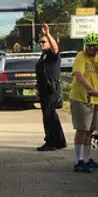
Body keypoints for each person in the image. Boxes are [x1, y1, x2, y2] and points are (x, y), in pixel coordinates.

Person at [68, 32, 98, 173]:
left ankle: (87, 160)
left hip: (97, 99)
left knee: (90, 131)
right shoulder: (80, 56)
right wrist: (91, 90)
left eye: (93, 46)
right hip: (81, 98)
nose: (90, 48)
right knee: (82, 129)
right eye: (88, 45)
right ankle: (78, 161)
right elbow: (79, 76)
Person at [34, 23, 67, 152]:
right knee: (50, 116)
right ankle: (58, 141)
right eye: (40, 42)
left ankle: (51, 142)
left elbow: (55, 48)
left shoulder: (53, 55)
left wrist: (48, 34)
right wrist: (38, 90)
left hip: (51, 89)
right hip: (44, 89)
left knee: (49, 116)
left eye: (43, 42)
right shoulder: (43, 56)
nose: (41, 44)